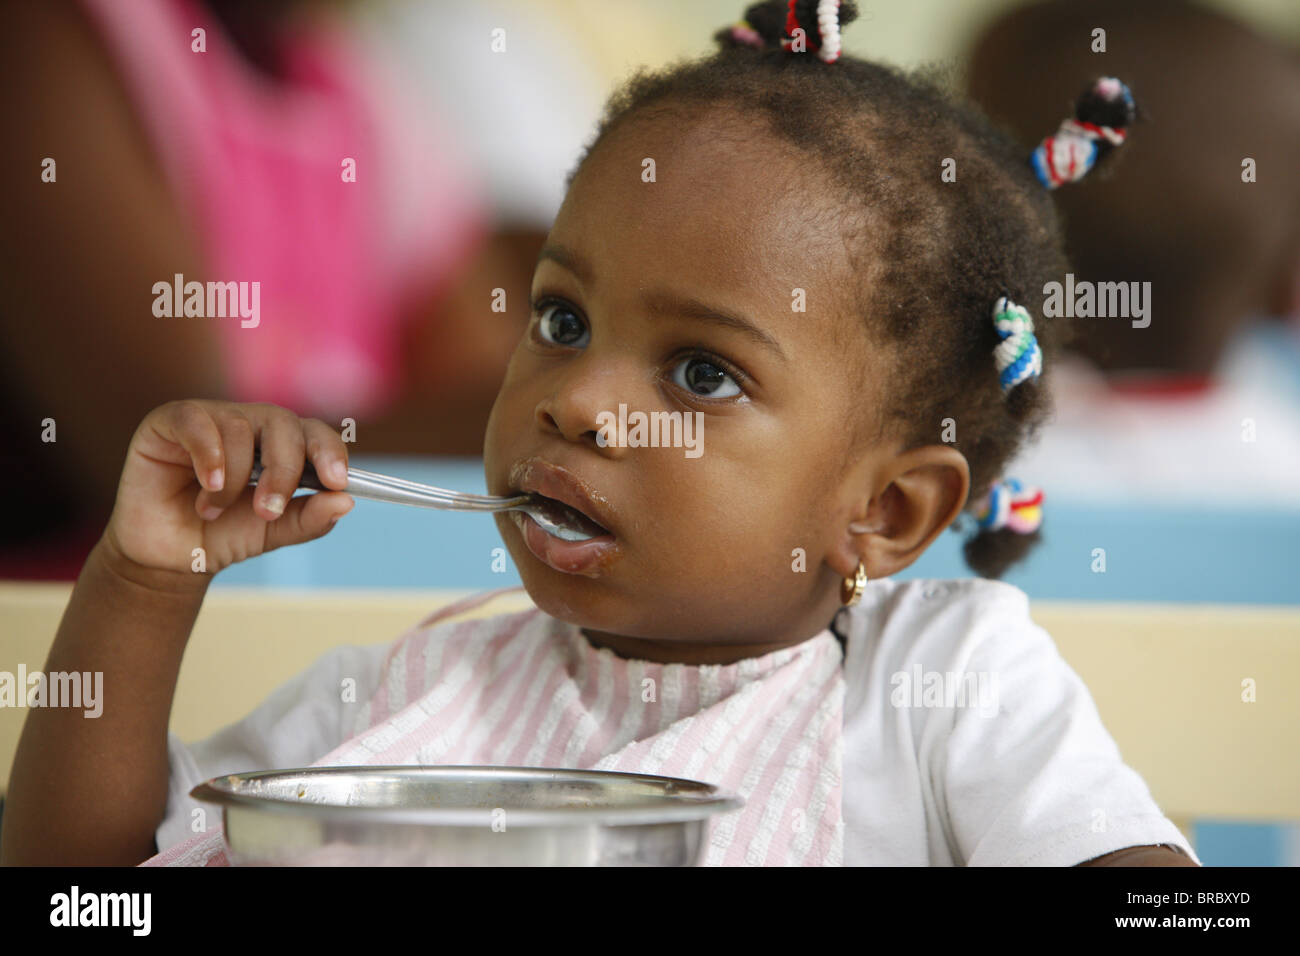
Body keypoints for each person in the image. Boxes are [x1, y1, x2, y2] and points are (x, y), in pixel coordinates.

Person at [1, 1, 1197, 867]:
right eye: (562, 318)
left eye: (700, 372)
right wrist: (143, 583)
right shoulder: (398, 698)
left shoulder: (948, 691)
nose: (573, 400)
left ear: (884, 512)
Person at [0, 0, 538, 580]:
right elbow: (170, 459)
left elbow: (482, 379)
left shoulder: (356, 88)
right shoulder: (48, 34)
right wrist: (538, 417)